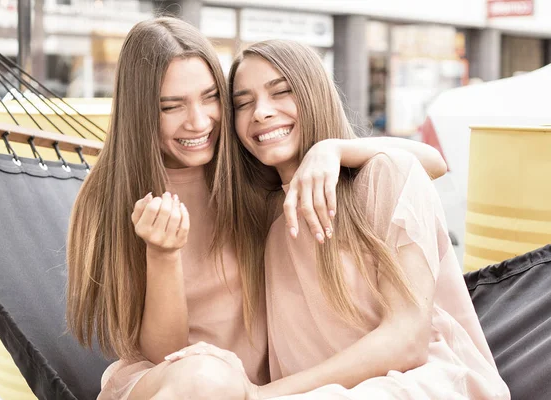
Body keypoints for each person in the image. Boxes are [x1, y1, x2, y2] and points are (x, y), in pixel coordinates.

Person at [65, 18, 447, 400]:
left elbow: (430, 164)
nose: (199, 122)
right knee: (206, 380)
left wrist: (333, 148)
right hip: (179, 382)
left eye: (211, 97)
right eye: (171, 106)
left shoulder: (247, 171)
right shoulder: (109, 201)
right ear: (141, 111)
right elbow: (165, 357)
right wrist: (163, 255)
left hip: (270, 387)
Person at [167, 40, 510, 399]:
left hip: (414, 384)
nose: (261, 112)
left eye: (281, 91)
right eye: (242, 103)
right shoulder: (263, 215)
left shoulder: (383, 177)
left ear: (314, 94)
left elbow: (407, 342)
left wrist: (334, 148)